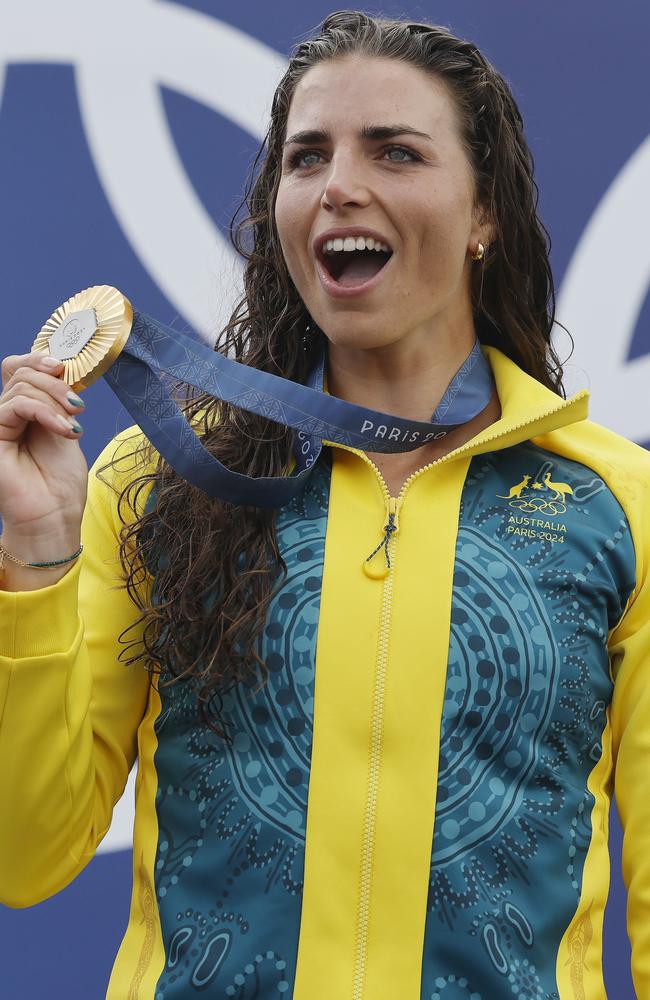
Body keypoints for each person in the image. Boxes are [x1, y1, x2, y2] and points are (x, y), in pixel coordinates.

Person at [0, 10, 648, 999]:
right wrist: (36, 560)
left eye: (393, 151)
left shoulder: (615, 502)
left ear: (484, 216)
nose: (339, 183)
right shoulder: (154, 480)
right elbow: (23, 851)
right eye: (307, 158)